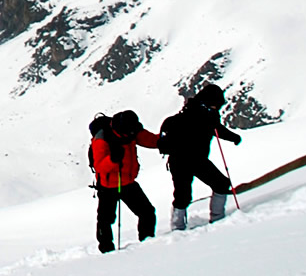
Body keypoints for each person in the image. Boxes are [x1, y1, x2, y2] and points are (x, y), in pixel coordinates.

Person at [158, 83, 244, 230]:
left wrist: (232, 137)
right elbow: (216, 129)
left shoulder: (199, 111)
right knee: (219, 184)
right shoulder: (205, 114)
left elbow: (215, 129)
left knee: (183, 194)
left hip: (184, 160)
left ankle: (178, 227)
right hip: (189, 160)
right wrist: (233, 137)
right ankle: (216, 219)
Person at [90, 110, 160, 253]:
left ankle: (147, 244)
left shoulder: (132, 130)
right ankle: (106, 250)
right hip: (107, 185)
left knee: (147, 212)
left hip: (127, 181)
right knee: (106, 220)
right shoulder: (102, 138)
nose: (131, 134)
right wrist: (113, 160)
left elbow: (151, 140)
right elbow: (100, 166)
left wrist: (165, 140)